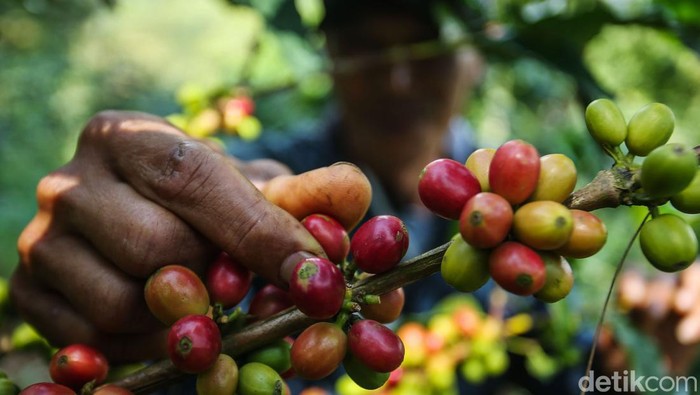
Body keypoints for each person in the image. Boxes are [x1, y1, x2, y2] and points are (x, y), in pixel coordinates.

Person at [10, 0, 482, 367]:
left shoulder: (514, 207)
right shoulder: (268, 186)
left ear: (478, 57)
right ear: (329, 55)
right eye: (364, 49)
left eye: (428, 48)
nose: (397, 79)